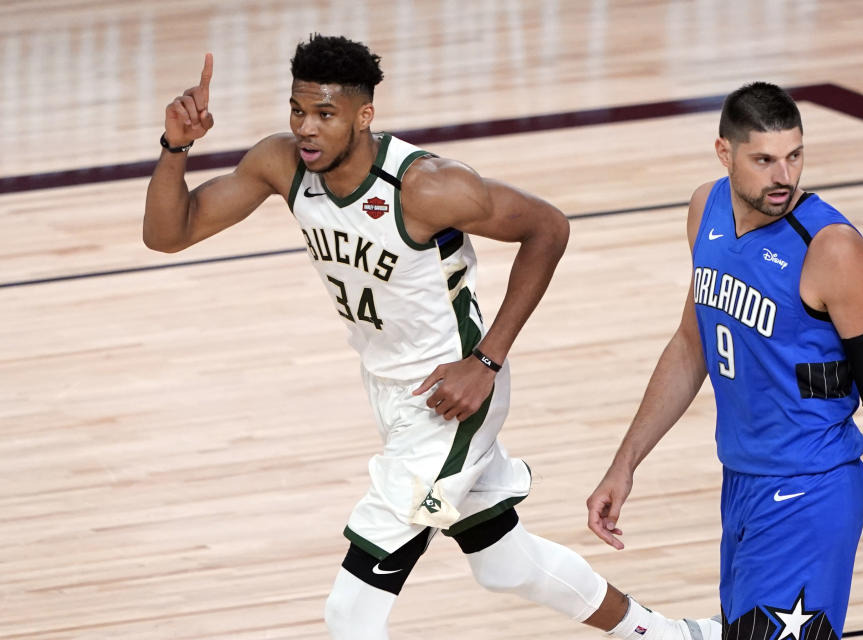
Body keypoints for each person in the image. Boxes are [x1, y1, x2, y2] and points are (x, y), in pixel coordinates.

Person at [143, 34, 719, 640]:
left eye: (325, 115)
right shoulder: (281, 163)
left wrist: (487, 360)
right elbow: (168, 233)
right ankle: (679, 637)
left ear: (364, 116)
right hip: (388, 387)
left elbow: (548, 228)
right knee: (506, 564)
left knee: (350, 611)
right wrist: (176, 147)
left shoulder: (428, 187)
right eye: (298, 111)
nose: (307, 129)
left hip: (452, 397)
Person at [587, 82, 863, 638]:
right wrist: (626, 462)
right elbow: (692, 344)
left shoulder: (833, 250)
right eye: (764, 160)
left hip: (810, 493)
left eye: (794, 156)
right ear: (724, 153)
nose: (784, 176)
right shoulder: (704, 208)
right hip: (741, 485)